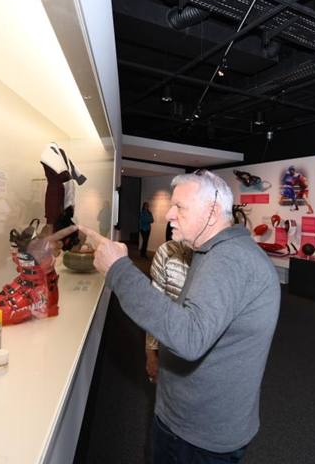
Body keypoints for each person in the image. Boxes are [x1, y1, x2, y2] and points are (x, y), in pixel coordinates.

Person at [80, 169, 280, 464]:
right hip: (190, 421)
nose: (169, 215)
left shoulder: (229, 259)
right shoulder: (213, 252)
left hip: (198, 435)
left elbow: (189, 338)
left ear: (212, 212)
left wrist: (119, 270)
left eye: (180, 207)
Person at [145, 240, 194, 385]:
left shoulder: (222, 258)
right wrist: (151, 352)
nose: (170, 216)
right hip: (171, 349)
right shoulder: (167, 252)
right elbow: (155, 308)